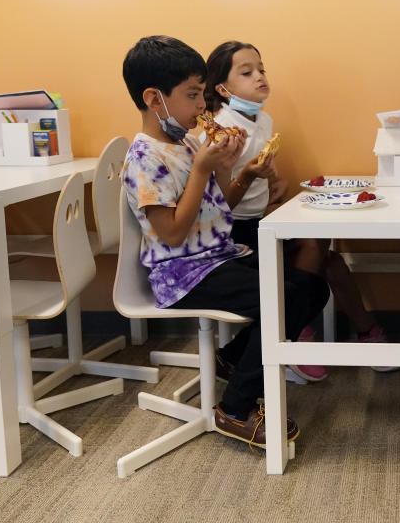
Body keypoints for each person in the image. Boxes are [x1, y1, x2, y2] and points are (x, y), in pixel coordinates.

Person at [120, 35, 329, 448]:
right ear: (153, 98)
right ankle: (235, 408)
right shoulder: (145, 156)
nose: (202, 106)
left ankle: (234, 358)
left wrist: (236, 173)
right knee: (281, 298)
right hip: (182, 274)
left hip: (218, 255)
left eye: (201, 94)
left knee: (311, 287)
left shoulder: (186, 142)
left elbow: (221, 210)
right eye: (192, 95)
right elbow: (173, 233)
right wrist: (201, 170)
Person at [202, 41, 395, 383]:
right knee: (313, 247)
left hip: (258, 224)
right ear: (222, 89)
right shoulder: (222, 130)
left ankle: (364, 332)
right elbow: (218, 205)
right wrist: (251, 179)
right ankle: (293, 335)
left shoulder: (261, 119)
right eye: (246, 73)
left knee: (329, 258)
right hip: (232, 235)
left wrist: (275, 185)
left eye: (261, 69)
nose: (259, 76)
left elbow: (264, 171)